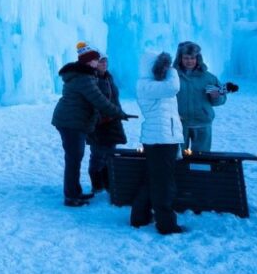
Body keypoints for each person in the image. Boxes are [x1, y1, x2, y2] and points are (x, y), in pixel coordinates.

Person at [52, 42, 129, 207]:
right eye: (95, 60)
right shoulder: (84, 78)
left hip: (72, 121)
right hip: (71, 122)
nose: (98, 62)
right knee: (73, 159)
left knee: (74, 158)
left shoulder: (85, 75)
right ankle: (71, 196)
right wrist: (118, 113)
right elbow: (99, 100)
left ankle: (75, 192)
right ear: (89, 61)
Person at [132, 51, 185, 235]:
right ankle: (166, 225)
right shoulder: (147, 85)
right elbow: (174, 87)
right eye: (162, 67)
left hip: (162, 137)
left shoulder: (153, 85)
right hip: (161, 139)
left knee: (152, 180)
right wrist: (172, 69)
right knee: (164, 184)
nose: (165, 70)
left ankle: (139, 217)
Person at [173, 41, 227, 152]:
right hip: (179, 124)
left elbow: (221, 99)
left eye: (192, 58)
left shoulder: (208, 78)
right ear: (180, 59)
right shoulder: (172, 78)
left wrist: (216, 96)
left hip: (202, 123)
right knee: (178, 158)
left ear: (198, 59)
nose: (189, 61)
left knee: (202, 160)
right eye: (186, 58)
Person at [87, 56, 127, 194]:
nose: (103, 64)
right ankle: (97, 185)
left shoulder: (108, 78)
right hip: (98, 124)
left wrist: (118, 113)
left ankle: (108, 183)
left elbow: (113, 99)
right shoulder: (91, 79)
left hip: (112, 122)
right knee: (98, 155)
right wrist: (99, 118)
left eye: (105, 61)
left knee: (110, 154)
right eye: (100, 61)